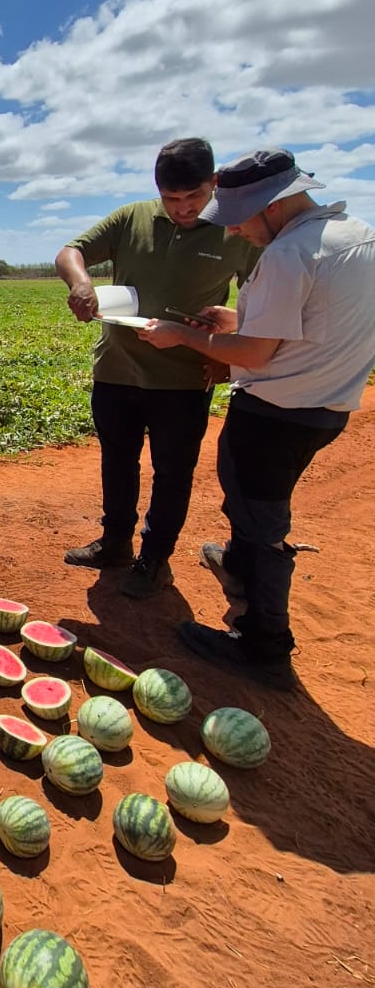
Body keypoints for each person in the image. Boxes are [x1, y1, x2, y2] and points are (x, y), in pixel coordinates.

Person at [140, 150, 375, 688]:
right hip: (326, 407)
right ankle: (240, 562)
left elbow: (253, 355)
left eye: (239, 219)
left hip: (275, 412)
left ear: (271, 205)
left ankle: (263, 643)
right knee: (256, 508)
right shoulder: (358, 236)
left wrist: (183, 335)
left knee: (261, 522)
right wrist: (241, 317)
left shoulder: (289, 253)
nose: (235, 232)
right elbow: (316, 318)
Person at [55, 138, 254, 598]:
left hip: (184, 379)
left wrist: (225, 355)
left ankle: (155, 559)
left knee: (172, 472)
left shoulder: (236, 232)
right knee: (117, 460)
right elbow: (71, 251)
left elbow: (262, 305)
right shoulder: (133, 218)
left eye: (194, 196)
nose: (183, 208)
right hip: (116, 370)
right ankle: (115, 543)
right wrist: (81, 283)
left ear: (214, 183)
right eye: (171, 198)